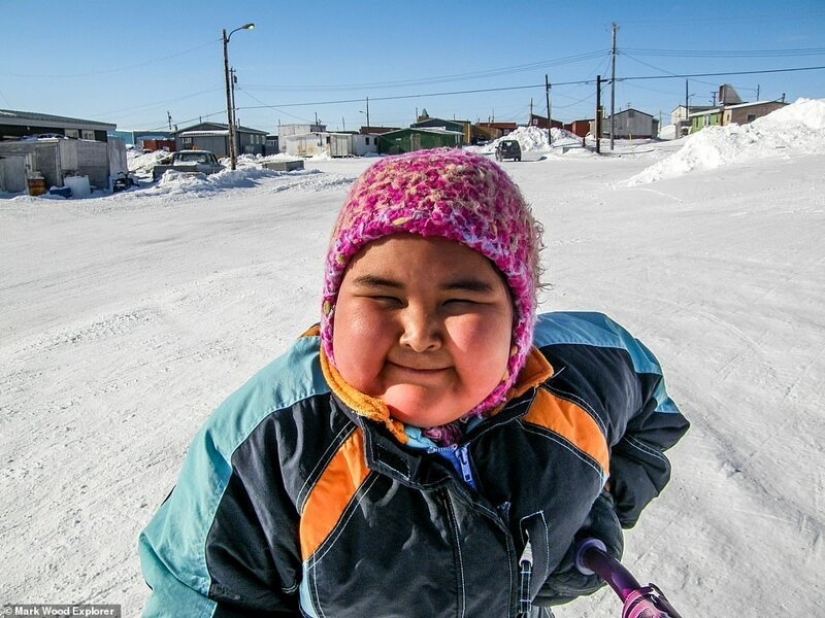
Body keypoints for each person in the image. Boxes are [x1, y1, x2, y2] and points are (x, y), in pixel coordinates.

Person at [139, 148, 689, 617]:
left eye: (462, 301)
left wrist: (597, 505)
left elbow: (652, 407)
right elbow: (198, 589)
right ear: (333, 310)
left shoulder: (579, 377)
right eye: (382, 296)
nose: (419, 333)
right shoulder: (273, 439)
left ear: (518, 322)